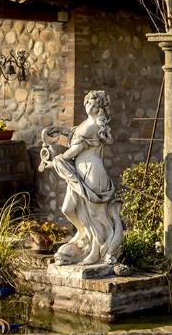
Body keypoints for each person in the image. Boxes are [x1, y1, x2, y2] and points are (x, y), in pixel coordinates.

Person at [39, 90, 122, 266]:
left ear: (100, 107)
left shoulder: (93, 126)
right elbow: (73, 137)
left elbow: (72, 152)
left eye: (93, 104)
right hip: (79, 172)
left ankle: (95, 251)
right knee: (67, 208)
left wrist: (53, 163)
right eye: (87, 103)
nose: (89, 106)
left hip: (91, 171)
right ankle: (83, 234)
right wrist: (58, 130)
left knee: (95, 214)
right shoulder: (88, 123)